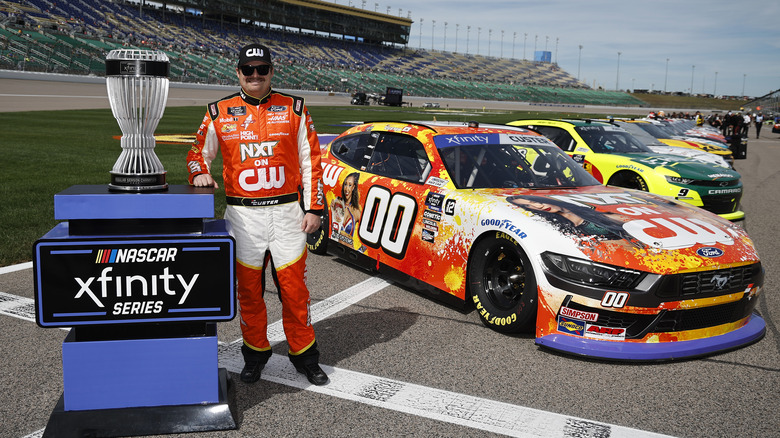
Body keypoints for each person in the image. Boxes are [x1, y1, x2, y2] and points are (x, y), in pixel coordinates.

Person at [186, 43, 329, 386]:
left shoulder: (294, 108)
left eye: (261, 69)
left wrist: (314, 208)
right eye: (248, 70)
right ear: (237, 72)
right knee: (248, 293)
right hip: (243, 217)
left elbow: (312, 162)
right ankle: (255, 354)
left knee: (295, 293)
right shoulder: (218, 111)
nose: (254, 76)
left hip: (287, 215)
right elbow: (196, 154)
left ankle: (305, 356)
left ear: (271, 72)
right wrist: (199, 174)